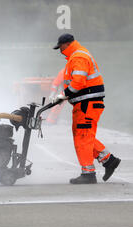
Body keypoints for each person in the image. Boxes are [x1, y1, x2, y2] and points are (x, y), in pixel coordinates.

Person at [52, 33, 121, 184]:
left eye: (60, 47)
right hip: (84, 103)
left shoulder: (78, 57)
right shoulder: (76, 56)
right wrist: (62, 97)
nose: (60, 51)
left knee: (83, 136)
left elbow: (78, 82)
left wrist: (63, 95)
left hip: (87, 104)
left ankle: (88, 173)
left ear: (67, 44)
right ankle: (108, 160)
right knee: (82, 135)